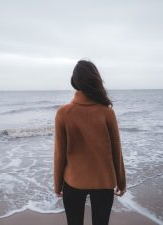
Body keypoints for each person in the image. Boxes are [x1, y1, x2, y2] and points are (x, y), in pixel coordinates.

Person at [54, 59, 126, 225]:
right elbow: (117, 151)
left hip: (73, 182)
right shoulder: (106, 112)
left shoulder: (63, 113)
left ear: (74, 81)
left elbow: (60, 154)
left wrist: (58, 185)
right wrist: (121, 182)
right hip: (103, 182)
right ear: (96, 80)